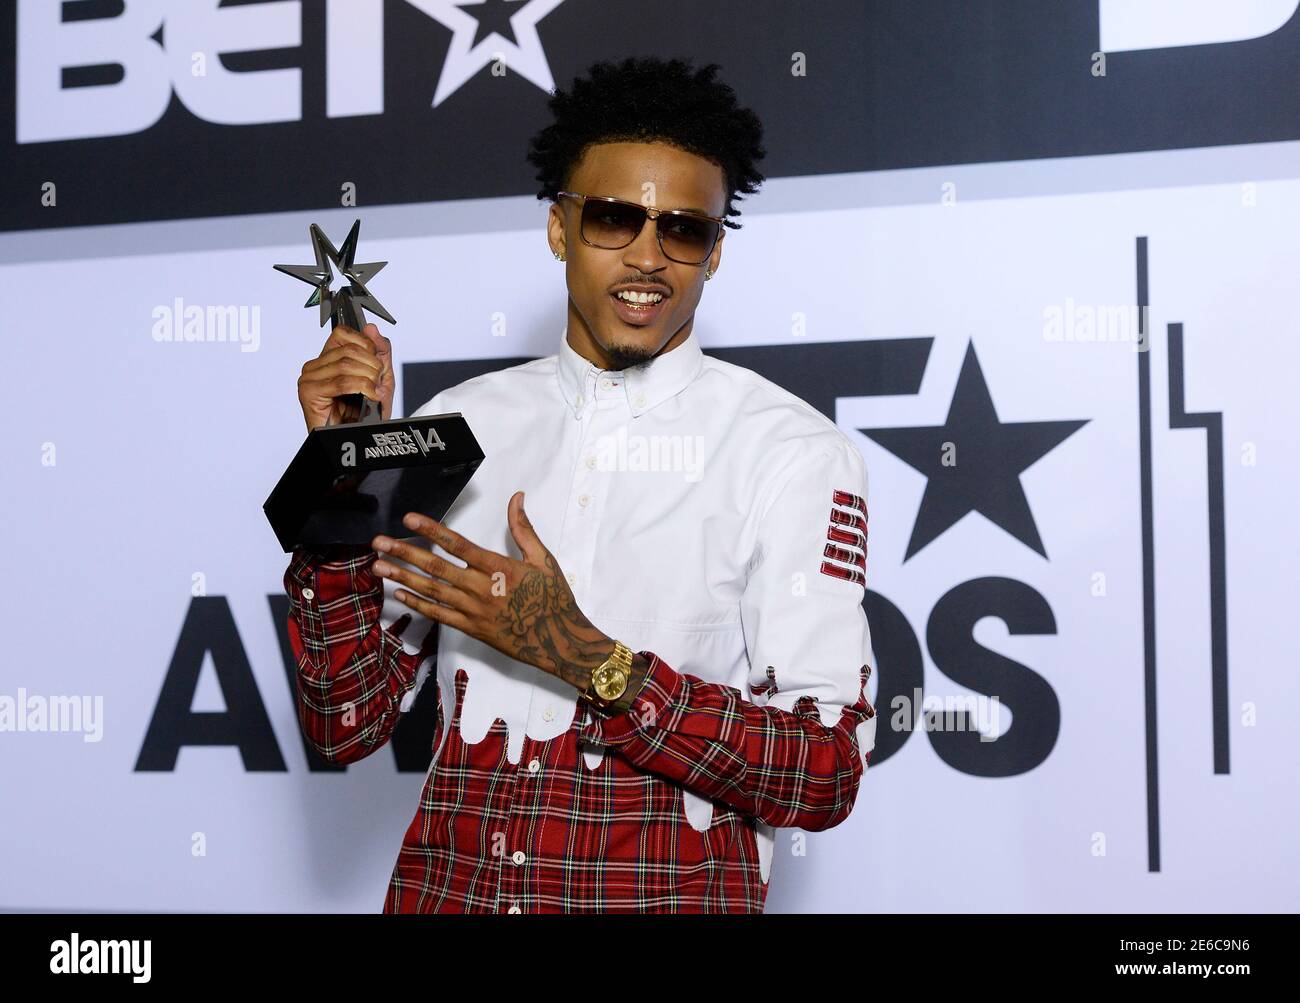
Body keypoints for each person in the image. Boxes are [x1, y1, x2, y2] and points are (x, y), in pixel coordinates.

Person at [284, 55, 876, 914]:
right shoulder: (460, 424)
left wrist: (592, 661)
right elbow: (346, 721)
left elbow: (823, 775)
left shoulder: (788, 452)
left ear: (714, 253)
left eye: (683, 229)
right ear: (559, 229)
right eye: (612, 217)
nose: (647, 257)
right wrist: (344, 470)